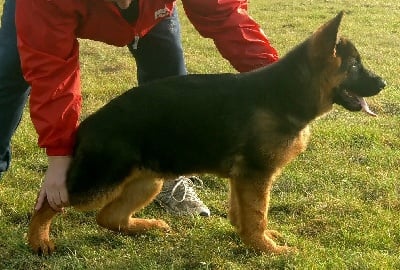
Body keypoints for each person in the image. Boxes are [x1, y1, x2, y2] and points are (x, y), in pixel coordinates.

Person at [0, 0, 278, 216]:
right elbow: (52, 71)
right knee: (9, 72)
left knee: (169, 79)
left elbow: (225, 15)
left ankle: (169, 176)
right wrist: (60, 157)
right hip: (48, 10)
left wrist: (276, 78)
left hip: (152, 11)